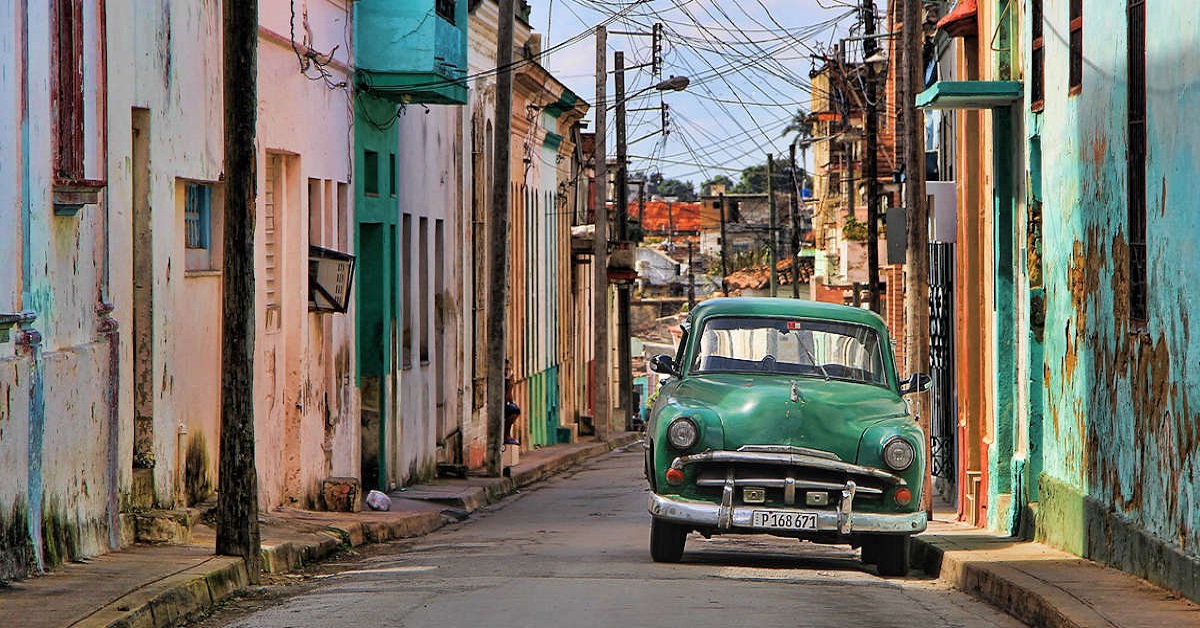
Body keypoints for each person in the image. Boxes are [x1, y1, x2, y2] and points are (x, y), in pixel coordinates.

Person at [504, 358, 521, 445]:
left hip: (504, 405)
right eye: (505, 369)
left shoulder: (506, 381)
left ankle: (507, 434)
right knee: (514, 411)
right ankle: (506, 435)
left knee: (515, 408)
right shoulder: (500, 381)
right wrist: (510, 387)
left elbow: (510, 399)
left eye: (507, 370)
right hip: (497, 408)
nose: (506, 372)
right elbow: (506, 399)